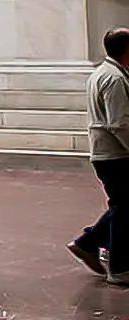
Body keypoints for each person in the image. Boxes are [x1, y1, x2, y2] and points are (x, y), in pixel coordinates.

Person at [70, 27, 129, 286]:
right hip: (116, 153)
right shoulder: (115, 78)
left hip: (108, 152)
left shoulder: (102, 73)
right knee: (124, 207)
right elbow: (119, 122)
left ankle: (89, 243)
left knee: (123, 204)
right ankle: (118, 266)